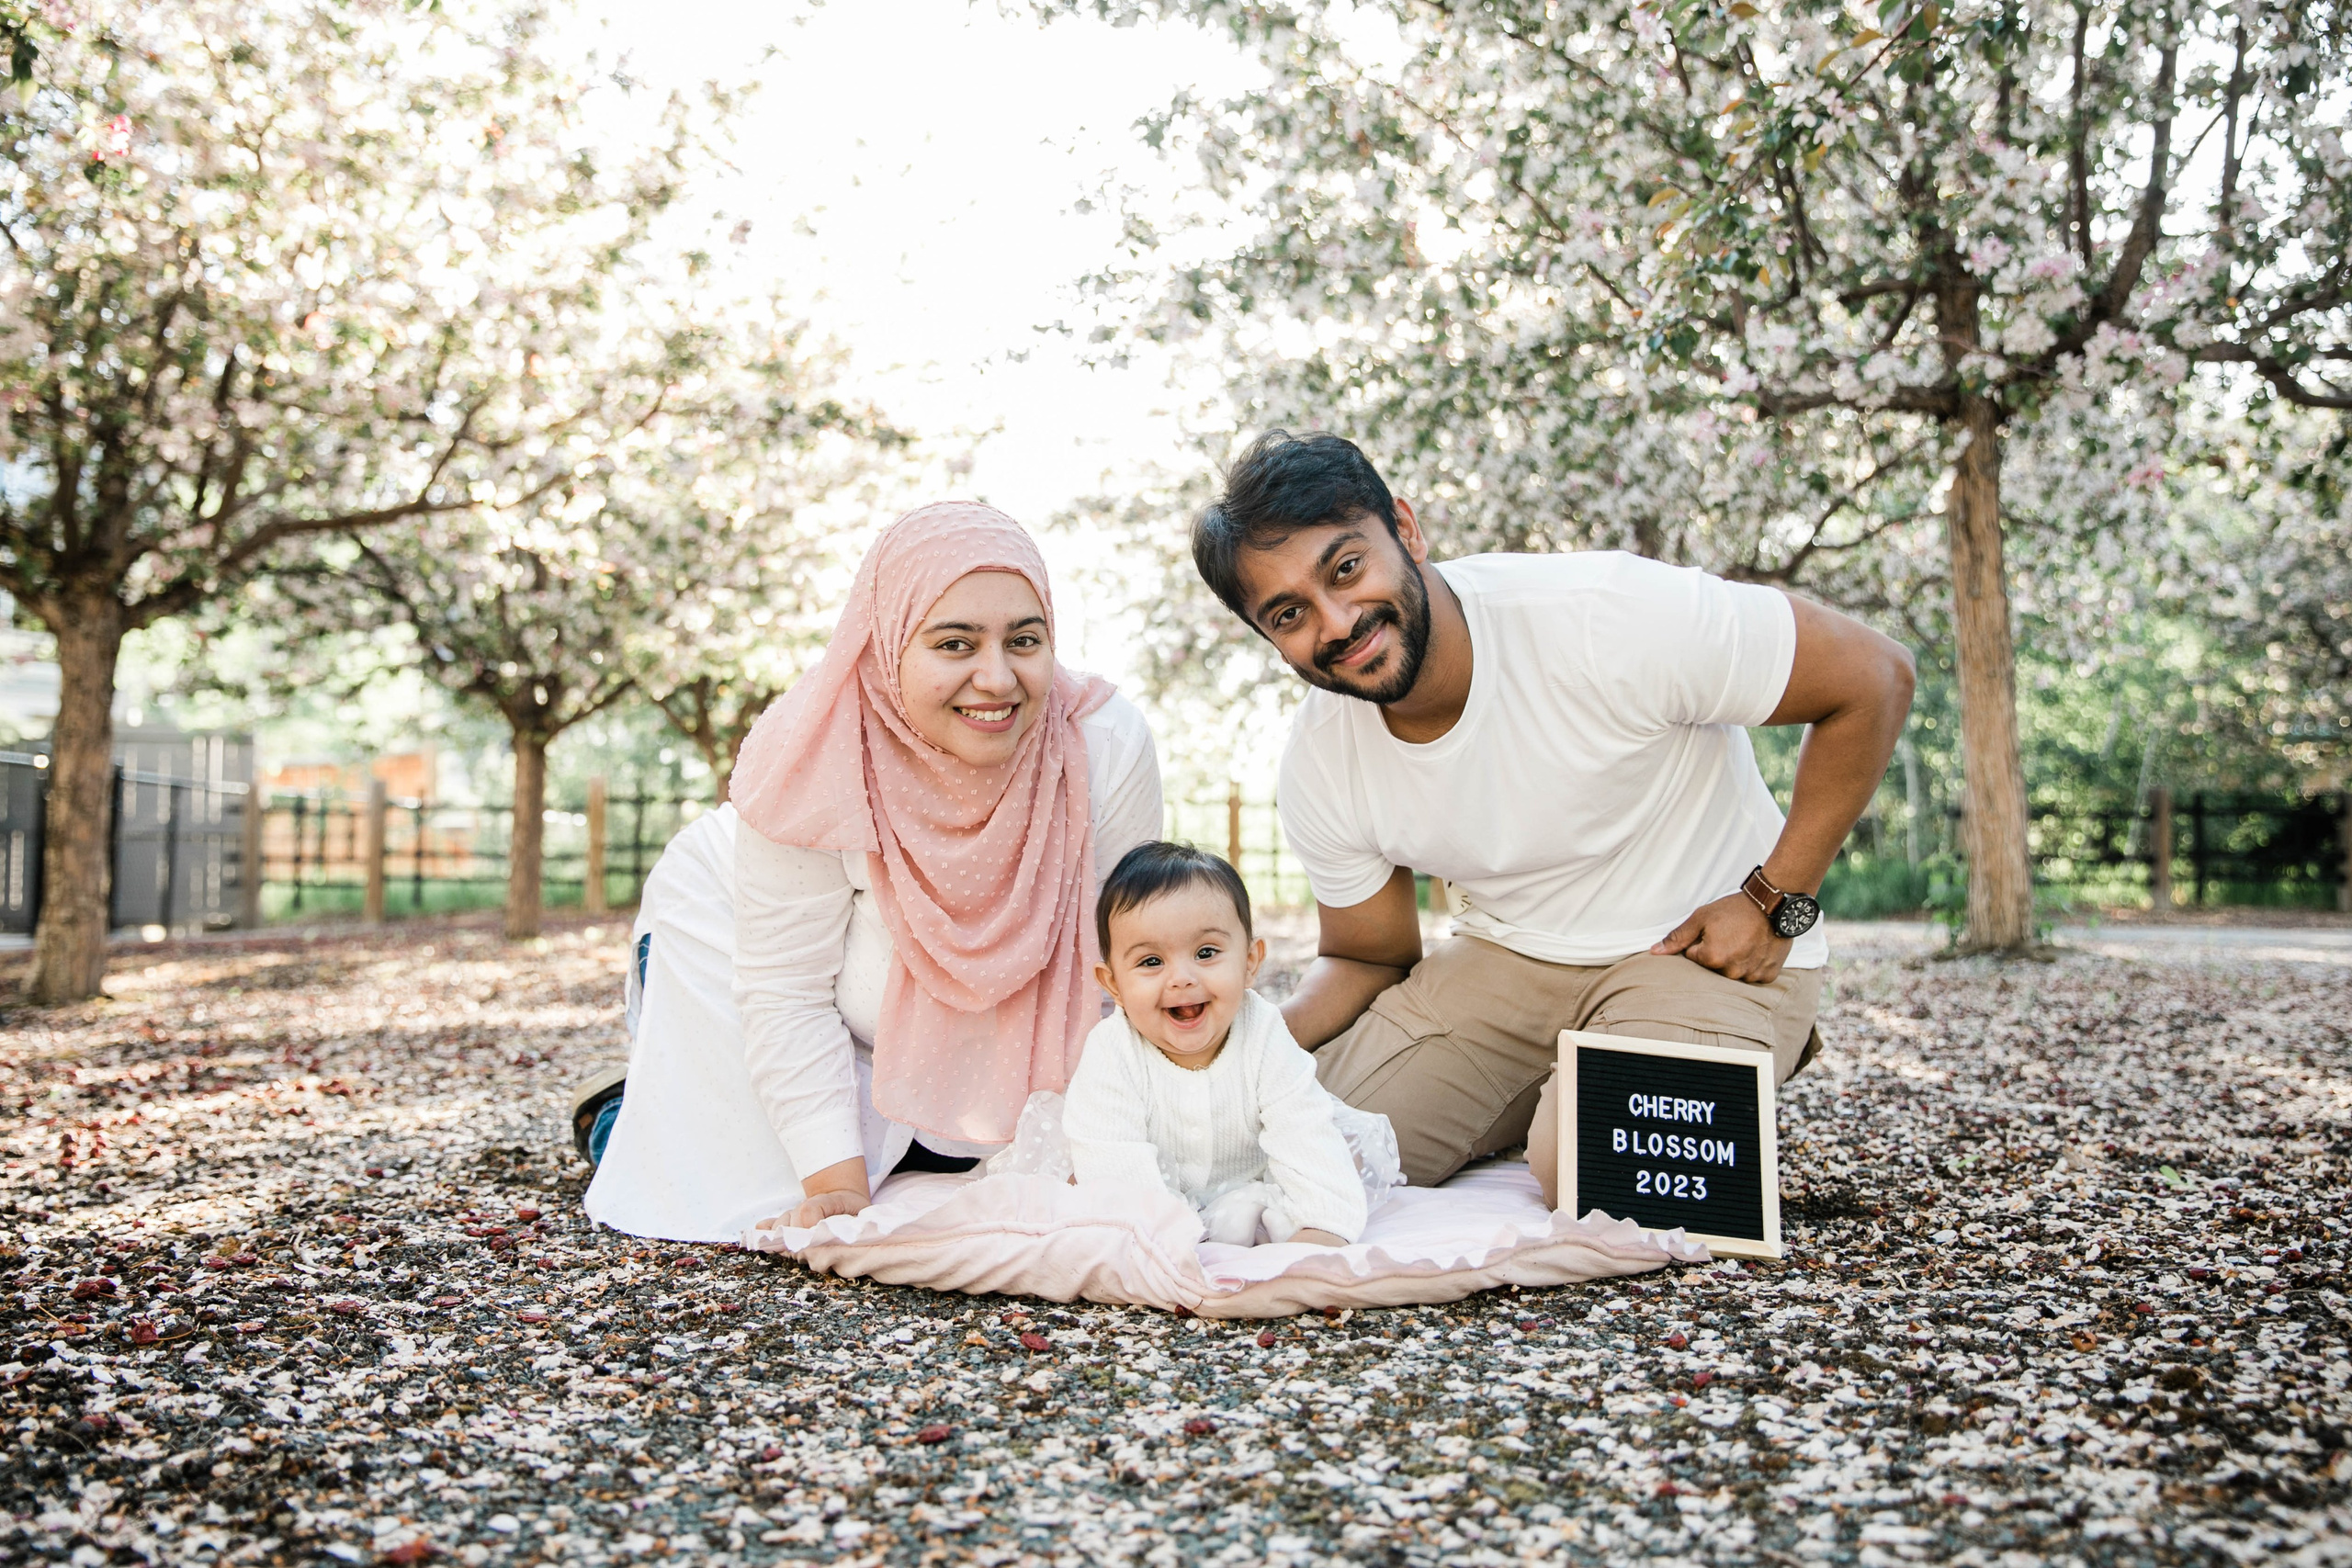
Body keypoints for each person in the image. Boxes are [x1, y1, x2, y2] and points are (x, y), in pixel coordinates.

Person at [1192, 431, 1916, 1206]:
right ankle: (1544, 1085)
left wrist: (1776, 901)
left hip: (1698, 949)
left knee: (1595, 1170)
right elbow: (1369, 958)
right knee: (1299, 1151)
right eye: (1290, 612)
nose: (1336, 622)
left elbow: (1875, 676)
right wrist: (1243, 1042)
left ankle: (1718, 1044)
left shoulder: (1604, 614)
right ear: (1271, 638)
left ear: (1405, 529)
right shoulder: (1320, 757)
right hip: (1506, 963)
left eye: (1346, 567)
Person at [575, 502, 1163, 1242]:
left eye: (1024, 639)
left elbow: (1121, 960)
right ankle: (629, 1108)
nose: (996, 677)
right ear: (888, 642)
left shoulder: (1103, 745)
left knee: (1006, 1166)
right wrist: (835, 1191)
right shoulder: (812, 753)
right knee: (730, 1187)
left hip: (932, 1019)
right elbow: (784, 988)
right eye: (954, 643)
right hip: (730, 936)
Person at [1061, 841, 1392, 1247]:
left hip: (1247, 1181)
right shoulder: (1113, 1050)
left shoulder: (1264, 1033)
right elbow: (1115, 1156)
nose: (1181, 978)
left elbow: (1301, 1130)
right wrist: (1160, 1239)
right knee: (1088, 1191)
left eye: (1205, 953)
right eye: (1151, 961)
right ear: (1114, 984)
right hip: (1146, 1189)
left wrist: (1322, 1228)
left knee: (1331, 1168)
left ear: (1250, 961)